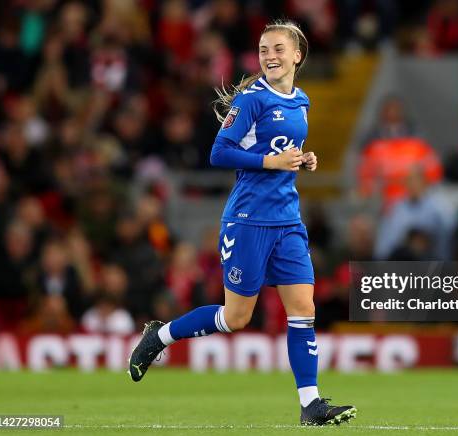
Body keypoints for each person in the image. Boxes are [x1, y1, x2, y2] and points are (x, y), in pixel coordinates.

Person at [128, 20, 357, 426]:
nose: (269, 55)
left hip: (287, 219)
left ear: (297, 56)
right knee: (237, 318)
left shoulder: (301, 100)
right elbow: (219, 152)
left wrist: (302, 158)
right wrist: (271, 161)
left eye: (278, 49)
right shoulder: (252, 99)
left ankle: (311, 404)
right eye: (264, 49)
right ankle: (160, 336)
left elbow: (282, 148)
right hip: (248, 219)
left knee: (303, 307)